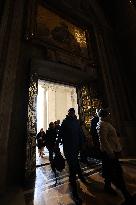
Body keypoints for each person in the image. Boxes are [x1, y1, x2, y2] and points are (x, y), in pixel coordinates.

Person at [96, 109, 133, 205]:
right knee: (117, 172)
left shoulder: (106, 123)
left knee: (110, 171)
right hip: (109, 152)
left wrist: (118, 148)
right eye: (108, 114)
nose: (109, 116)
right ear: (104, 116)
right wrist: (110, 152)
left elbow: (111, 137)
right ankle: (125, 193)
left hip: (111, 151)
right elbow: (103, 140)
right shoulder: (103, 125)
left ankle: (108, 187)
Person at [59, 108, 86, 204]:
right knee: (72, 168)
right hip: (68, 148)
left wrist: (82, 144)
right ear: (68, 113)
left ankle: (82, 178)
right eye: (70, 112)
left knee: (76, 164)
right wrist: (56, 146)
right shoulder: (65, 122)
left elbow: (80, 134)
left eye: (73, 112)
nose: (72, 113)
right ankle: (74, 193)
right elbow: (60, 134)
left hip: (76, 148)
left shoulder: (76, 122)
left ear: (74, 113)